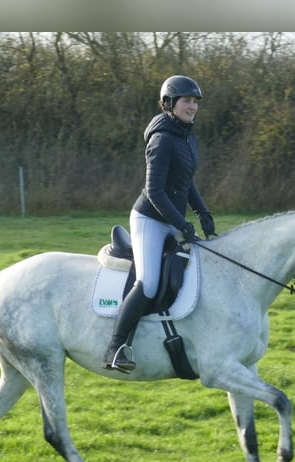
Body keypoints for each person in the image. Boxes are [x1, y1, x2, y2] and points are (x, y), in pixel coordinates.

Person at [102, 75, 216, 373]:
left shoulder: (186, 136)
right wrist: (181, 223)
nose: (193, 106)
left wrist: (202, 212)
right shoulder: (162, 139)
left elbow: (186, 182)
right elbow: (154, 192)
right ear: (169, 104)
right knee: (148, 282)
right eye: (187, 101)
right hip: (149, 219)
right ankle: (115, 349)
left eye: (195, 102)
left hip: (171, 218)